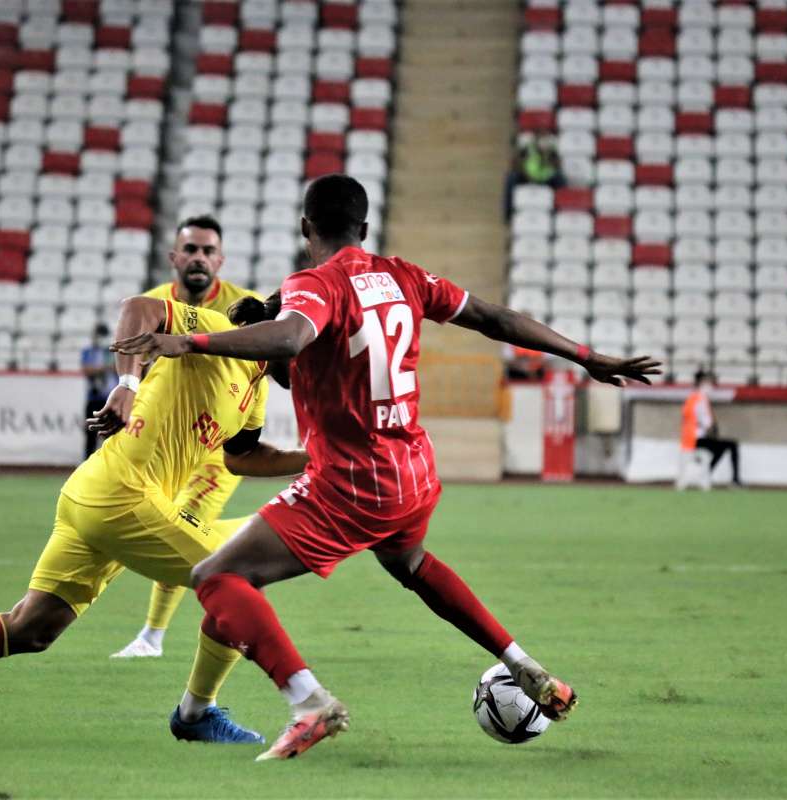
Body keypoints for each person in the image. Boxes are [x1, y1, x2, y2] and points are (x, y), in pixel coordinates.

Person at [112, 173, 661, 760]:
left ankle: (308, 702)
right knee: (412, 563)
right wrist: (587, 357)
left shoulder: (316, 282)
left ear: (306, 229)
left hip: (352, 482)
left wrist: (190, 344)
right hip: (415, 471)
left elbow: (292, 338)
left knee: (218, 579)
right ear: (365, 229)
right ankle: (523, 665)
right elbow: (497, 319)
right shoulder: (405, 275)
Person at [0, 294, 308, 747]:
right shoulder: (212, 329)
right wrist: (127, 384)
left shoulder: (256, 388)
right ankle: (196, 713)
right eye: (308, 346)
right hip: (122, 494)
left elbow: (242, 457)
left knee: (32, 628)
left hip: (105, 498)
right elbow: (139, 308)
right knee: (237, 576)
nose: (310, 361)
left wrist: (314, 460)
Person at [111, 215, 264, 659]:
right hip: (164, 441)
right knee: (155, 524)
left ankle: (152, 636)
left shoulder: (244, 304)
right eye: (191, 249)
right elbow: (131, 363)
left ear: (220, 260)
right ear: (174, 257)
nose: (199, 258)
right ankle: (251, 546)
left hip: (216, 443)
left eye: (207, 251)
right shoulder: (153, 304)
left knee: (186, 522)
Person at [681, 369, 742, 486]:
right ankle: (734, 480)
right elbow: (707, 424)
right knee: (731, 445)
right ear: (701, 383)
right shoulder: (700, 399)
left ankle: (706, 472)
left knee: (720, 447)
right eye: (708, 382)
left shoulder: (692, 398)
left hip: (690, 439)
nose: (711, 385)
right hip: (697, 439)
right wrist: (713, 430)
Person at [80, 323, 115, 458]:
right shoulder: (88, 351)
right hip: (94, 398)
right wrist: (103, 368)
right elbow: (86, 369)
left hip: (110, 400)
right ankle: (86, 465)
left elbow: (118, 368)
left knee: (110, 436)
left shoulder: (112, 351)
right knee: (90, 435)